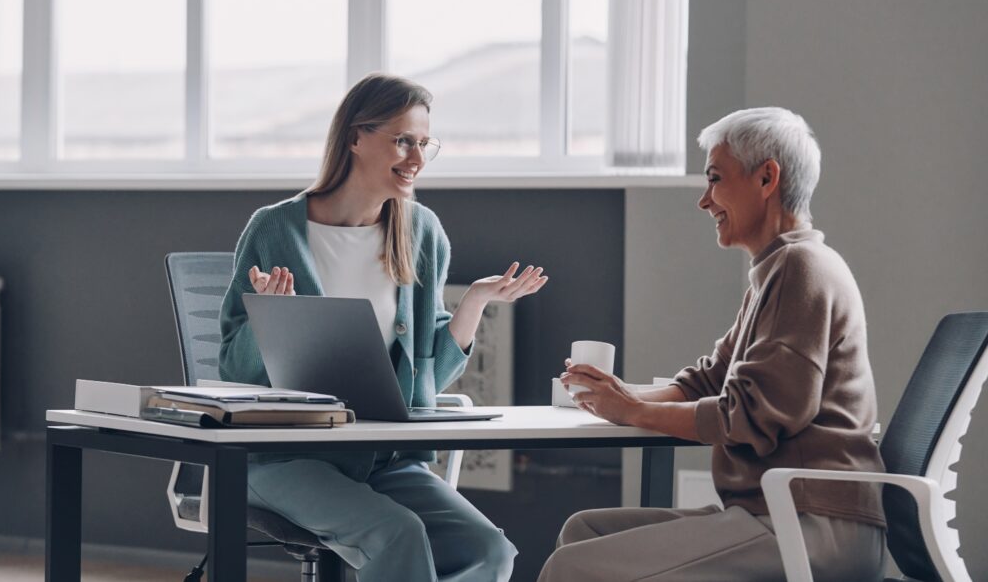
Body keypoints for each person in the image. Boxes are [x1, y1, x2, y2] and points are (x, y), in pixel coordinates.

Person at [219, 72, 547, 582]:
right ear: (354, 137)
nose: (416, 158)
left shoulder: (421, 232)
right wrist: (268, 319)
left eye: (423, 143)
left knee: (488, 549)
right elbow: (230, 367)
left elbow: (428, 380)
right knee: (398, 534)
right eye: (401, 140)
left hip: (382, 459)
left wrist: (476, 302)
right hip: (280, 458)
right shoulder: (275, 229)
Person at [541, 107, 887, 582]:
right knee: (586, 531)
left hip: (810, 527)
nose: (705, 201)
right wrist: (619, 394)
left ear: (767, 178)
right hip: (777, 516)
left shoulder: (801, 269)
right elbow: (711, 378)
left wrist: (632, 412)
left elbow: (752, 415)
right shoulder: (776, 270)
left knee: (572, 567)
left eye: (715, 179)